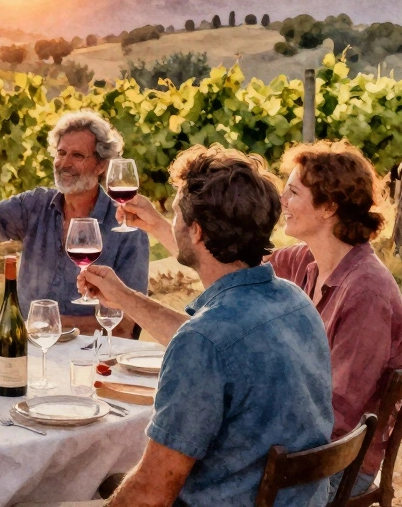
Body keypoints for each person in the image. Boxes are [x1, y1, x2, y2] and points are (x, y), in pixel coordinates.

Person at [112, 141, 402, 499]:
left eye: (294, 192)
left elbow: (338, 418)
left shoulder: (366, 293)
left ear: (329, 207)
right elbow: (231, 262)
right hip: (289, 468)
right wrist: (162, 227)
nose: (283, 201)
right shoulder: (300, 276)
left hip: (325, 468)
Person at [48, 145, 334, 507]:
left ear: (196, 232)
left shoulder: (205, 341)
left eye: (175, 214)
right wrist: (124, 297)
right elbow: (218, 343)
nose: (172, 223)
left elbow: (150, 494)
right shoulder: (294, 301)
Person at [0, 110, 148, 334]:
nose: (64, 163)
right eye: (61, 153)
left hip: (92, 351)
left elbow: (126, 324)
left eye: (77, 155)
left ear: (101, 166)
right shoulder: (35, 204)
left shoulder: (127, 228)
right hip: (31, 346)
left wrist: (47, 322)